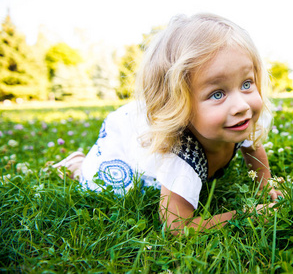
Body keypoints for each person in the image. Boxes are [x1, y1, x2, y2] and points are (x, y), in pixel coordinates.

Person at [54, 13, 281, 234]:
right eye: (217, 94)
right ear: (179, 106)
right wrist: (246, 214)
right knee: (100, 183)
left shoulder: (241, 117)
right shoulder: (181, 156)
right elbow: (177, 227)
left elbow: (253, 146)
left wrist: (265, 185)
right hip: (126, 146)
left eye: (246, 83)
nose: (241, 105)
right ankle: (75, 166)